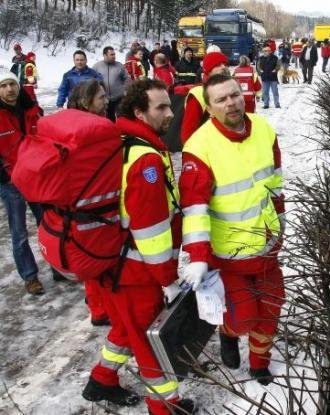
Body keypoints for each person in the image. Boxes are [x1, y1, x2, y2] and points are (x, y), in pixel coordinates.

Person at [82, 78, 194, 414]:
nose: (169, 113)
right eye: (160, 107)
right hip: (135, 272)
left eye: (167, 104)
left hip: (111, 265)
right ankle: (165, 406)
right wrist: (167, 280)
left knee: (125, 328)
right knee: (147, 340)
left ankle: (102, 379)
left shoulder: (121, 141)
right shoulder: (144, 158)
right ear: (138, 112)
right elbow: (151, 231)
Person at [180, 73, 285, 386]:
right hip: (229, 253)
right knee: (243, 317)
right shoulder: (199, 146)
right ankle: (228, 334)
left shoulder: (264, 129)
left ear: (243, 93)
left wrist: (279, 221)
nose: (231, 103)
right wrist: (198, 256)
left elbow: (276, 181)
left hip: (267, 245)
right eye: (221, 99)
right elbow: (195, 208)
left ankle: (259, 363)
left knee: (270, 309)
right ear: (209, 108)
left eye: (234, 94)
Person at [65, 79, 111, 325]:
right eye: (101, 97)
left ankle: (96, 303)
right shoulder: (90, 129)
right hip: (91, 207)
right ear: (87, 101)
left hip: (79, 206)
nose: (106, 100)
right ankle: (99, 311)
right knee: (96, 264)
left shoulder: (71, 123)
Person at [0, 71, 48, 295]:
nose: (9, 90)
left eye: (12, 84)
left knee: (48, 223)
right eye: (3, 86)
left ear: (19, 87)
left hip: (36, 177)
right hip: (10, 183)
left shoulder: (33, 111)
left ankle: (58, 265)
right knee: (19, 232)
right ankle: (30, 276)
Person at [180, 51, 230, 144]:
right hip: (207, 151)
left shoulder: (231, 90)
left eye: (225, 64)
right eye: (218, 64)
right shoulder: (199, 93)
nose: (224, 67)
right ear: (209, 70)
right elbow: (188, 133)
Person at [93, 46, 131, 122]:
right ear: (105, 55)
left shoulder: (119, 66)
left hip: (119, 97)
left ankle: (122, 131)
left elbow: (127, 78)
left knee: (122, 117)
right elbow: (92, 80)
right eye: (111, 55)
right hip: (105, 99)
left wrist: (125, 89)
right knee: (109, 118)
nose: (114, 56)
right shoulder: (97, 66)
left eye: (114, 54)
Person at [257, 44, 281, 109]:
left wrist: (275, 70)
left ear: (270, 51)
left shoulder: (275, 58)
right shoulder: (261, 58)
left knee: (275, 92)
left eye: (266, 51)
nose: (265, 52)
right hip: (264, 77)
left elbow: (278, 65)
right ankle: (266, 104)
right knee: (265, 92)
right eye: (264, 51)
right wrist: (260, 71)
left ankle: (277, 104)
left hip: (273, 77)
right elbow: (258, 66)